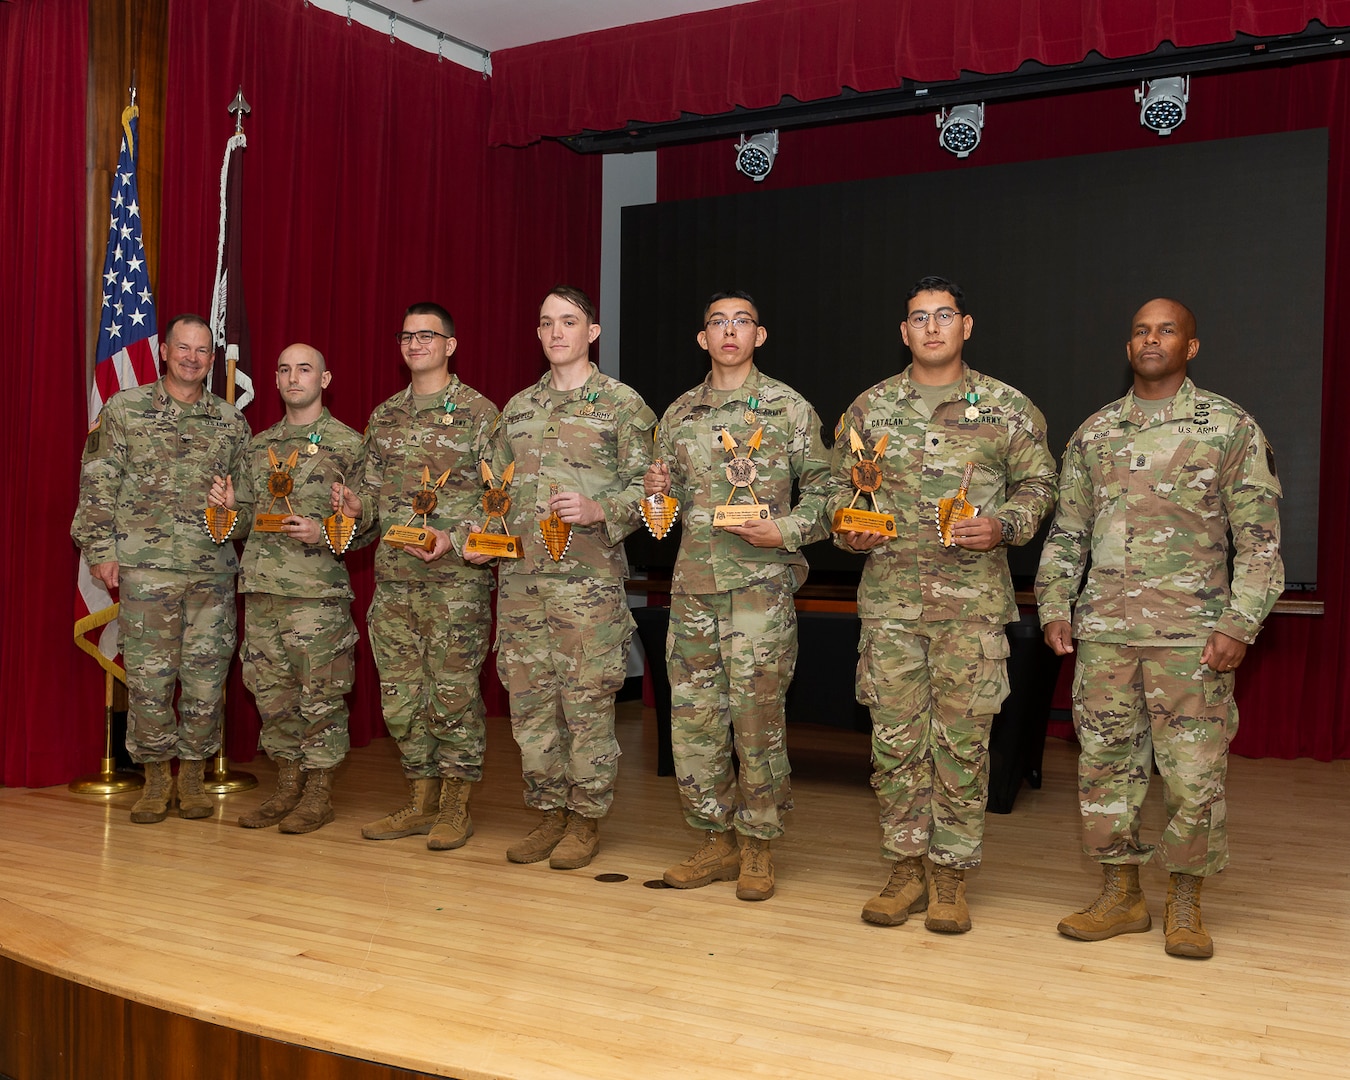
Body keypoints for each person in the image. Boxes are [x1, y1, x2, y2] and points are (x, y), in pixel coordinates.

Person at [1035, 297, 1283, 959]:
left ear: (1191, 347)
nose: (1152, 339)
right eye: (1141, 330)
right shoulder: (1094, 433)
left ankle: (1185, 904)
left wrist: (1240, 623)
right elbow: (1068, 532)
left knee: (1192, 776)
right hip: (1106, 637)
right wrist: (1055, 603)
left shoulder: (1227, 427)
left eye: (1167, 330)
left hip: (1191, 638)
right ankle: (1120, 896)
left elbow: (1260, 543)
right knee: (1106, 769)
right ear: (1129, 346)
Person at [829, 275, 1057, 933]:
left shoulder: (1007, 409)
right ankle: (904, 872)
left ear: (966, 326)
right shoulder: (870, 409)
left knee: (962, 747)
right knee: (896, 747)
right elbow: (837, 497)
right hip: (892, 609)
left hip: (971, 611)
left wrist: (1004, 525)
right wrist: (847, 528)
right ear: (904, 332)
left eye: (944, 315)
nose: (931, 327)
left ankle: (951, 879)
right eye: (919, 318)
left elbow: (1040, 486)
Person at [644, 290, 831, 901]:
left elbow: (831, 495)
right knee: (693, 724)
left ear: (760, 335)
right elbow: (659, 513)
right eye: (718, 323)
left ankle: (757, 846)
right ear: (703, 339)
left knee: (757, 721)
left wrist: (787, 530)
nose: (729, 332)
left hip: (759, 589)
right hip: (694, 587)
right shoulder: (676, 415)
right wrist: (653, 498)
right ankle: (714, 842)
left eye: (741, 322)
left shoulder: (788, 409)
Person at [467, 287, 655, 870]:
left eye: (568, 322)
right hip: (521, 583)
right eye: (546, 323)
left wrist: (602, 509)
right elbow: (491, 491)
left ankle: (586, 818)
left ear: (591, 333)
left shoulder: (623, 406)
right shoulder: (517, 410)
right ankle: (548, 812)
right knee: (530, 707)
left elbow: (652, 491)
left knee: (587, 705)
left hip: (587, 586)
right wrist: (476, 534)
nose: (556, 333)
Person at [72, 313, 253, 824]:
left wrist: (235, 514)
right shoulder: (125, 410)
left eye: (201, 351)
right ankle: (154, 781)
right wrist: (101, 552)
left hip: (212, 575)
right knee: (151, 682)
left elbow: (253, 503)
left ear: (211, 360)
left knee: (204, 680)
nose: (192, 358)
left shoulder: (231, 421)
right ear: (164, 353)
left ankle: (192, 779)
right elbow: (97, 485)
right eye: (183, 348)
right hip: (145, 572)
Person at [331, 303, 497, 852]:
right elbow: (376, 499)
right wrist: (358, 507)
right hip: (397, 579)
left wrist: (456, 532)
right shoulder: (384, 417)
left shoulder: (480, 414)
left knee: (451, 694)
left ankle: (455, 805)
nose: (415, 343)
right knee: (402, 697)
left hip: (455, 580)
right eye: (407, 336)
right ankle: (420, 799)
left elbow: (498, 498)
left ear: (451, 345)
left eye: (428, 335)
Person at [228, 344, 371, 834]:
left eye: (304, 369)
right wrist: (226, 511)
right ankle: (287, 785)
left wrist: (328, 531)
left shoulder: (350, 445)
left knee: (322, 698)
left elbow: (367, 524)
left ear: (325, 379)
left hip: (318, 595)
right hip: (263, 590)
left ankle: (317, 794)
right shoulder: (256, 446)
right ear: (275, 380)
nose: (294, 378)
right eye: (285, 370)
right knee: (271, 696)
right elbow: (244, 519)